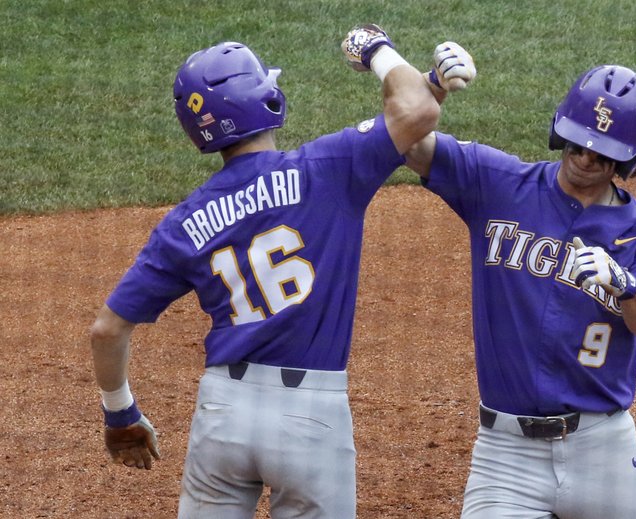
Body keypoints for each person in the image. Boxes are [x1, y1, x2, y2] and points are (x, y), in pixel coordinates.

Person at [89, 26, 474, 518]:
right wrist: (377, 50)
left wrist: (120, 413)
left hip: (223, 413)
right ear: (265, 98)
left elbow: (107, 330)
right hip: (310, 418)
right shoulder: (328, 169)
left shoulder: (182, 224)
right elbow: (415, 115)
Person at [400, 62, 636, 518]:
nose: (585, 157)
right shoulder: (498, 184)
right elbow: (405, 141)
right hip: (505, 455)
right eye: (578, 142)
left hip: (603, 449)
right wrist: (433, 87)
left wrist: (627, 287)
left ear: (626, 158)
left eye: (601, 152)